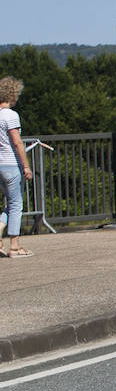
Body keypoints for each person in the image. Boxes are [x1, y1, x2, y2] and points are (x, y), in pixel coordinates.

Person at [0, 76, 33, 258]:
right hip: (11, 165)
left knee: (11, 202)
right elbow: (17, 142)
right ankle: (14, 246)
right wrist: (26, 166)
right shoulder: (11, 116)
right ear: (13, 95)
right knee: (16, 204)